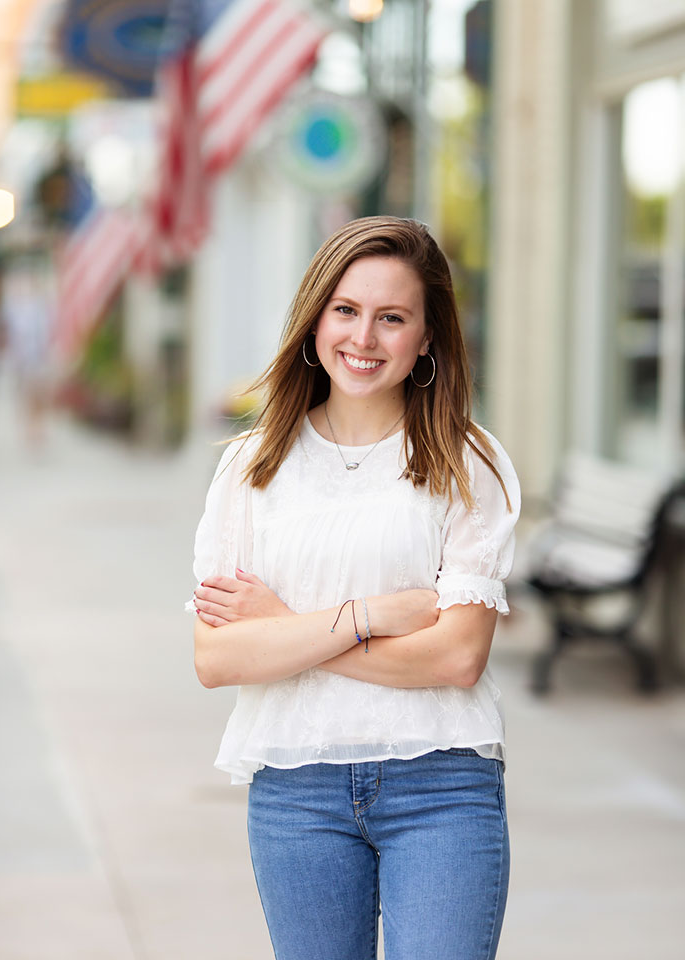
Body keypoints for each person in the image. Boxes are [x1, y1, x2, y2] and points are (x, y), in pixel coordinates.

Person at [187, 216, 520, 960]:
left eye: (392, 317)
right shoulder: (251, 468)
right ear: (315, 321)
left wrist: (285, 627)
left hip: (441, 787)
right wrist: (372, 615)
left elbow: (457, 658)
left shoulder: (467, 461)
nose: (364, 338)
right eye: (346, 310)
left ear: (427, 337)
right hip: (296, 790)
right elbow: (217, 659)